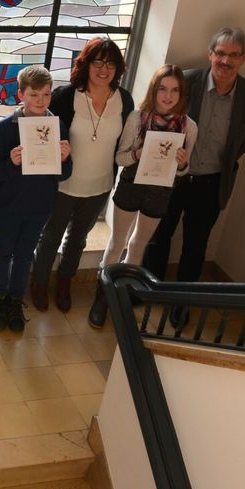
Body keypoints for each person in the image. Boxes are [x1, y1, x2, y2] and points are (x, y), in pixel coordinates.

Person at [142, 28, 245, 323]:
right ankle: (147, 291)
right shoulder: (186, 81)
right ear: (211, 54)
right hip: (172, 177)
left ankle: (179, 303)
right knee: (158, 237)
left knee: (195, 247)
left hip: (211, 183)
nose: (226, 60)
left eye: (234, 55)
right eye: (220, 53)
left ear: (243, 59)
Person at [30, 37, 134, 313]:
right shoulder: (66, 96)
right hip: (64, 184)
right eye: (97, 62)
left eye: (110, 64)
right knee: (50, 237)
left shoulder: (124, 99)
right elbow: (45, 137)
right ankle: (39, 283)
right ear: (86, 64)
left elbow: (126, 142)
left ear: (118, 68)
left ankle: (64, 282)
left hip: (100, 185)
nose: (103, 69)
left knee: (78, 239)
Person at [90, 65, 197, 327]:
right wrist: (138, 154)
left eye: (174, 90)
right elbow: (120, 157)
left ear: (181, 93)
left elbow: (184, 172)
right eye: (163, 89)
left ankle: (122, 296)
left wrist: (182, 164)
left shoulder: (189, 126)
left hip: (160, 192)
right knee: (118, 243)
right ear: (154, 90)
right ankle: (102, 298)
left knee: (138, 245)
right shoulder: (137, 118)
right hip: (131, 185)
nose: (168, 96)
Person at [0, 65, 72, 332]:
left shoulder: (57, 126)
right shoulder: (5, 128)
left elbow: (65, 174)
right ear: (21, 94)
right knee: (3, 253)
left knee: (24, 256)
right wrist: (11, 163)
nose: (41, 101)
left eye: (46, 95)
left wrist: (64, 159)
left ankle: (15, 299)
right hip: (9, 205)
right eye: (34, 95)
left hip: (40, 206)